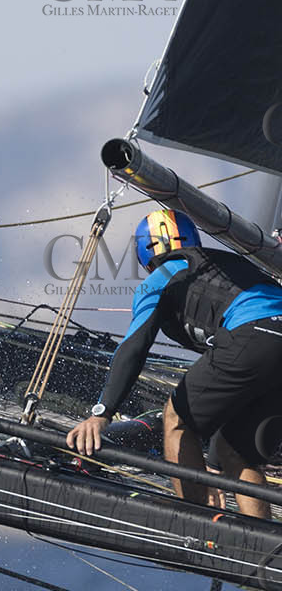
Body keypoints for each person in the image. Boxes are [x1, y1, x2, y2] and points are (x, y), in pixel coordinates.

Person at [66, 210, 282, 519]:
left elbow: (135, 345)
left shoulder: (162, 276)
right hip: (265, 344)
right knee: (237, 451)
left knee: (176, 417)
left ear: (145, 257)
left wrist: (103, 412)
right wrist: (211, 466)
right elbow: (234, 390)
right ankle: (262, 541)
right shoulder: (225, 265)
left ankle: (197, 519)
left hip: (252, 334)